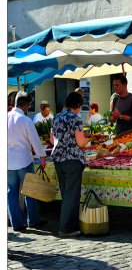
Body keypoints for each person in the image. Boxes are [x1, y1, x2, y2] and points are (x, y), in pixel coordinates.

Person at [50, 91, 90, 237]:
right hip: (72, 160)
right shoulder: (75, 118)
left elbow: (51, 140)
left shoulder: (56, 117)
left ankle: (67, 226)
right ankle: (66, 228)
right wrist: (88, 140)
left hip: (58, 160)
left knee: (66, 194)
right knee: (72, 195)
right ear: (78, 105)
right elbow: (80, 142)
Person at [8, 91, 47, 232]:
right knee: (30, 191)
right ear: (27, 105)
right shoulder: (25, 120)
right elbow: (35, 142)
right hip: (23, 160)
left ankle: (16, 223)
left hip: (8, 162)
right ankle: (33, 220)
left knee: (11, 193)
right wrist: (42, 158)